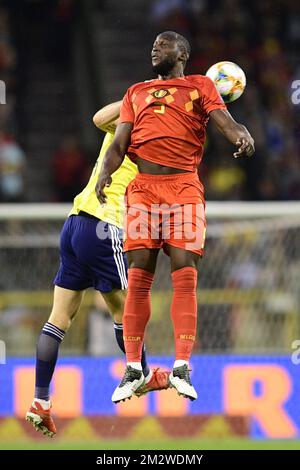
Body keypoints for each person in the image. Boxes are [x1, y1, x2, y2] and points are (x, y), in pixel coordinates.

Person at [96, 31, 255, 403]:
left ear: (182, 53)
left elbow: (227, 122)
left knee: (185, 275)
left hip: (184, 189)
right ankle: (134, 367)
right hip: (143, 190)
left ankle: (181, 366)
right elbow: (120, 142)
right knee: (138, 279)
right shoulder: (135, 92)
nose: (156, 47)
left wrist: (242, 137)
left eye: (164, 44)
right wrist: (106, 170)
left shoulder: (200, 86)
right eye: (153, 43)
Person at [26, 101, 170, 437]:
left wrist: (138, 97)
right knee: (126, 312)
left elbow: (97, 117)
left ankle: (40, 401)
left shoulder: (124, 126)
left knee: (58, 318)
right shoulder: (160, 144)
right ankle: (143, 375)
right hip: (106, 228)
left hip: (75, 223)